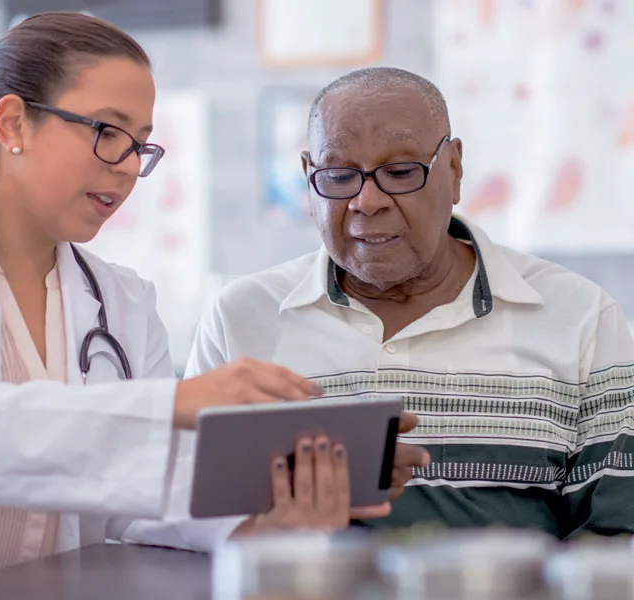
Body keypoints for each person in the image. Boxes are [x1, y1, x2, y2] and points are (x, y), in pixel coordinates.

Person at [0, 15, 410, 600]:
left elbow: (143, 496)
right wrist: (174, 404)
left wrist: (273, 507)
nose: (130, 166)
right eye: (107, 132)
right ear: (14, 124)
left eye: (140, 144)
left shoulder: (121, 300)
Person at [184, 66, 634, 539]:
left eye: (400, 173)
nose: (367, 201)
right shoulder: (241, 318)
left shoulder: (578, 315)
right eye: (338, 176)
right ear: (308, 178)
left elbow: (616, 534)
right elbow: (186, 521)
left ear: (454, 169)